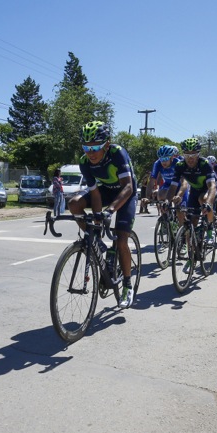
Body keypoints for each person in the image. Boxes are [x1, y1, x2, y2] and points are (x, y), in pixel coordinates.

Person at [69, 121, 137, 308]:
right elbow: (95, 193)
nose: (90, 152)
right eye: (86, 147)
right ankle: (97, 243)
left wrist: (110, 211)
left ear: (107, 144)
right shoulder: (85, 162)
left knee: (121, 239)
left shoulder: (117, 153)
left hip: (126, 193)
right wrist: (98, 218)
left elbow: (128, 187)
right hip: (105, 191)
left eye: (96, 147)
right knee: (74, 203)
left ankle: (128, 285)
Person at [171, 138, 217, 245]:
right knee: (192, 224)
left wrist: (209, 204)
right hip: (194, 191)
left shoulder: (205, 164)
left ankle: (210, 228)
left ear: (199, 154)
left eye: (193, 155)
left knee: (203, 199)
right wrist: (168, 201)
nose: (190, 158)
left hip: (208, 189)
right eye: (187, 155)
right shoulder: (180, 166)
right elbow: (173, 186)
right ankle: (192, 256)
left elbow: (212, 186)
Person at [149, 145, 182, 213]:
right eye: (161, 159)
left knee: (180, 211)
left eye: (166, 159)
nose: (163, 162)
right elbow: (155, 179)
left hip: (179, 185)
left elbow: (184, 182)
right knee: (160, 195)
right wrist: (149, 195)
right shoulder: (158, 164)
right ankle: (165, 217)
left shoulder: (178, 163)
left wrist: (179, 195)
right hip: (168, 184)